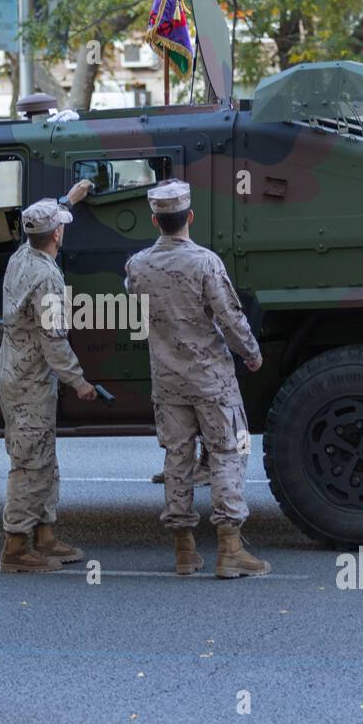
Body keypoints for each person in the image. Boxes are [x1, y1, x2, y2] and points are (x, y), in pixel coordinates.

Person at [125, 178, 269, 579]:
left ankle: (184, 550)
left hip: (168, 382)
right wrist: (252, 355)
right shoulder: (206, 262)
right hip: (212, 381)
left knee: (177, 458)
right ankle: (230, 549)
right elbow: (229, 317)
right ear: (189, 216)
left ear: (156, 220)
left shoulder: (136, 266)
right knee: (226, 453)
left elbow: (138, 319)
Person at [0, 181, 98, 573]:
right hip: (28, 381)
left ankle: (45, 536)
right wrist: (80, 381)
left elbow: (38, 224)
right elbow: (54, 341)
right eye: (61, 225)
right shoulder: (48, 279)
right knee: (29, 463)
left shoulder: (22, 256)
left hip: (16, 373)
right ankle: (16, 548)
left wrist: (68, 201)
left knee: (42, 457)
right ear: (57, 234)